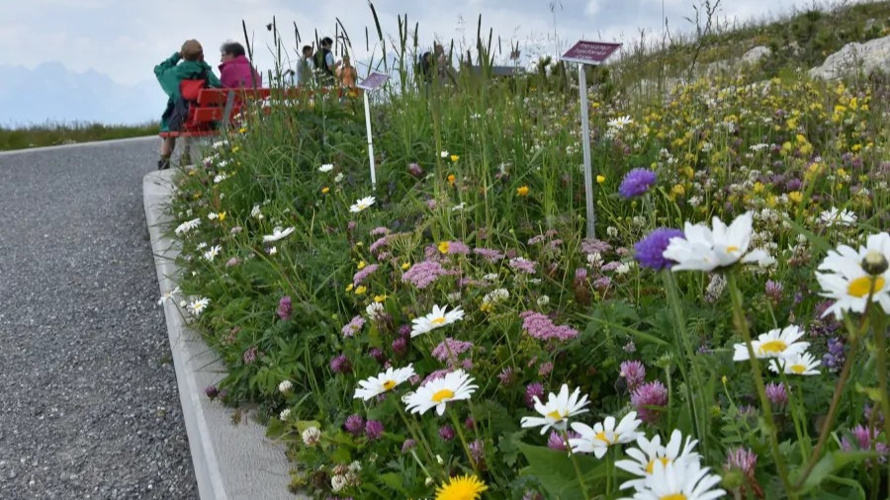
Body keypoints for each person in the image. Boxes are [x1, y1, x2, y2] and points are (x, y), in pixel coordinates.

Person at [154, 39, 222, 170]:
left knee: (168, 125)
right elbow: (220, 89)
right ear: (201, 56)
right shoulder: (206, 72)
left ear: (184, 56)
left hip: (182, 121)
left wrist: (177, 56)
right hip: (206, 121)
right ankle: (186, 156)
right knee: (183, 116)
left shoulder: (174, 73)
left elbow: (159, 70)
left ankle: (164, 162)